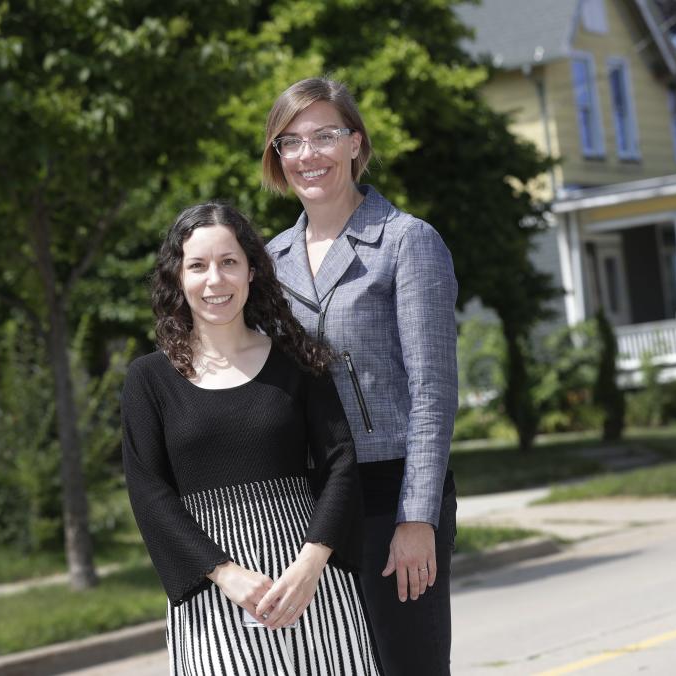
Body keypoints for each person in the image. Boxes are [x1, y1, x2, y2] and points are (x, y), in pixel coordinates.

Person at [121, 202, 380, 675]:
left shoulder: (297, 360)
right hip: (213, 593)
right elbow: (149, 493)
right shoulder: (148, 379)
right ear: (177, 277)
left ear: (252, 272)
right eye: (197, 266)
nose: (214, 280)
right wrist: (225, 573)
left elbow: (339, 463)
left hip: (311, 581)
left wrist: (311, 565)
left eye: (229, 262)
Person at [262, 77, 459, 675]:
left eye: (325, 135)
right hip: (310, 506)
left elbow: (433, 392)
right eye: (290, 142)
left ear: (355, 143)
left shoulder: (406, 242)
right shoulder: (268, 261)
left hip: (391, 492)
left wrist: (417, 518)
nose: (308, 154)